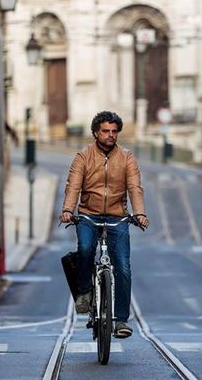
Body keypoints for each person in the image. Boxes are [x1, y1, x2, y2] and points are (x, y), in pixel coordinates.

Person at [60, 111, 149, 339]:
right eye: (106, 131)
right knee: (86, 250)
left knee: (123, 266)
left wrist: (139, 214)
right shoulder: (83, 156)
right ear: (95, 133)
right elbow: (73, 186)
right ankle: (84, 292)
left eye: (114, 131)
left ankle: (120, 320)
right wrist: (68, 210)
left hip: (117, 217)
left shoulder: (127, 157)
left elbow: (135, 187)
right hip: (88, 215)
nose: (111, 135)